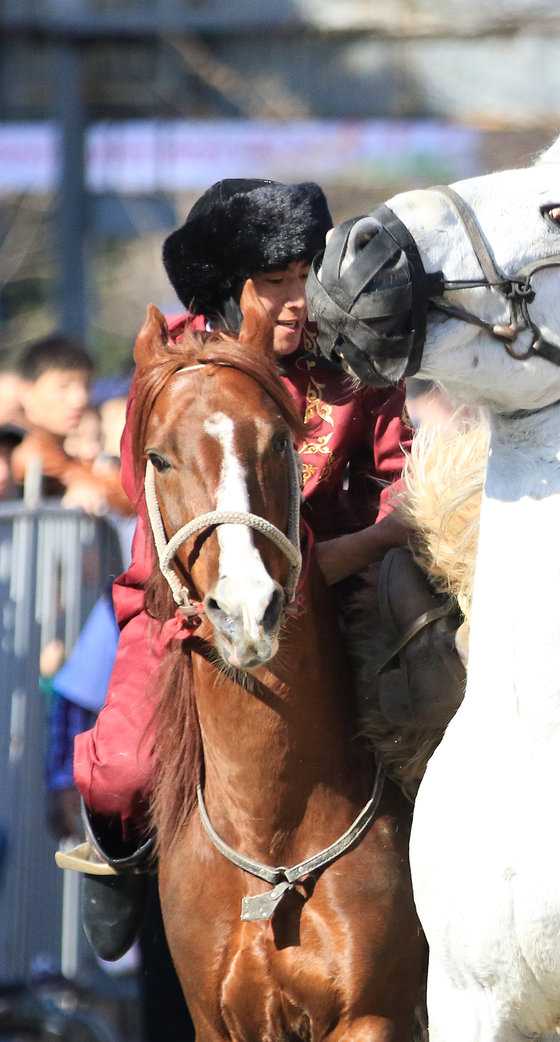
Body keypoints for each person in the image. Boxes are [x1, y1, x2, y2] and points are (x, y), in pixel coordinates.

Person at [60, 178, 414, 961]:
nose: (297, 299)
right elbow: (152, 504)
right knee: (122, 772)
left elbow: (398, 482)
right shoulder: (171, 372)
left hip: (350, 592)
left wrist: (361, 556)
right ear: (232, 289)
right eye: (274, 281)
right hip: (189, 596)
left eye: (305, 275)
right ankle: (117, 859)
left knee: (441, 703)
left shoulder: (354, 360)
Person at [10, 335, 132, 517]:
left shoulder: (60, 448)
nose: (79, 399)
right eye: (63, 387)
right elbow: (124, 495)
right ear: (27, 392)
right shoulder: (23, 447)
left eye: (86, 385)